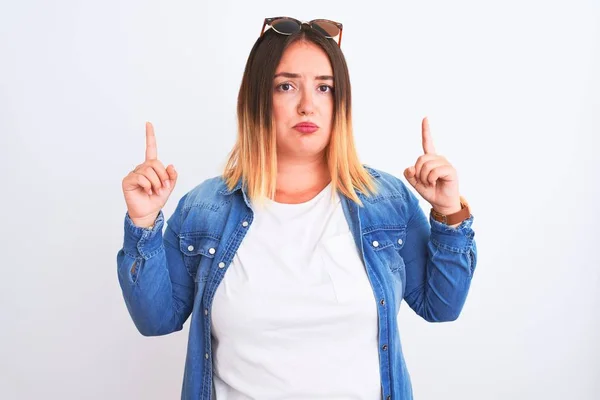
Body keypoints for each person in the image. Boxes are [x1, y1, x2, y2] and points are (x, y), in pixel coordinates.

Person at [117, 17, 477, 400]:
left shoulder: (385, 201)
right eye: (286, 86)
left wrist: (448, 213)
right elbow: (155, 320)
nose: (308, 105)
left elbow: (442, 306)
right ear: (257, 98)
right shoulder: (204, 210)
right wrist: (143, 221)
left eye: (324, 87)